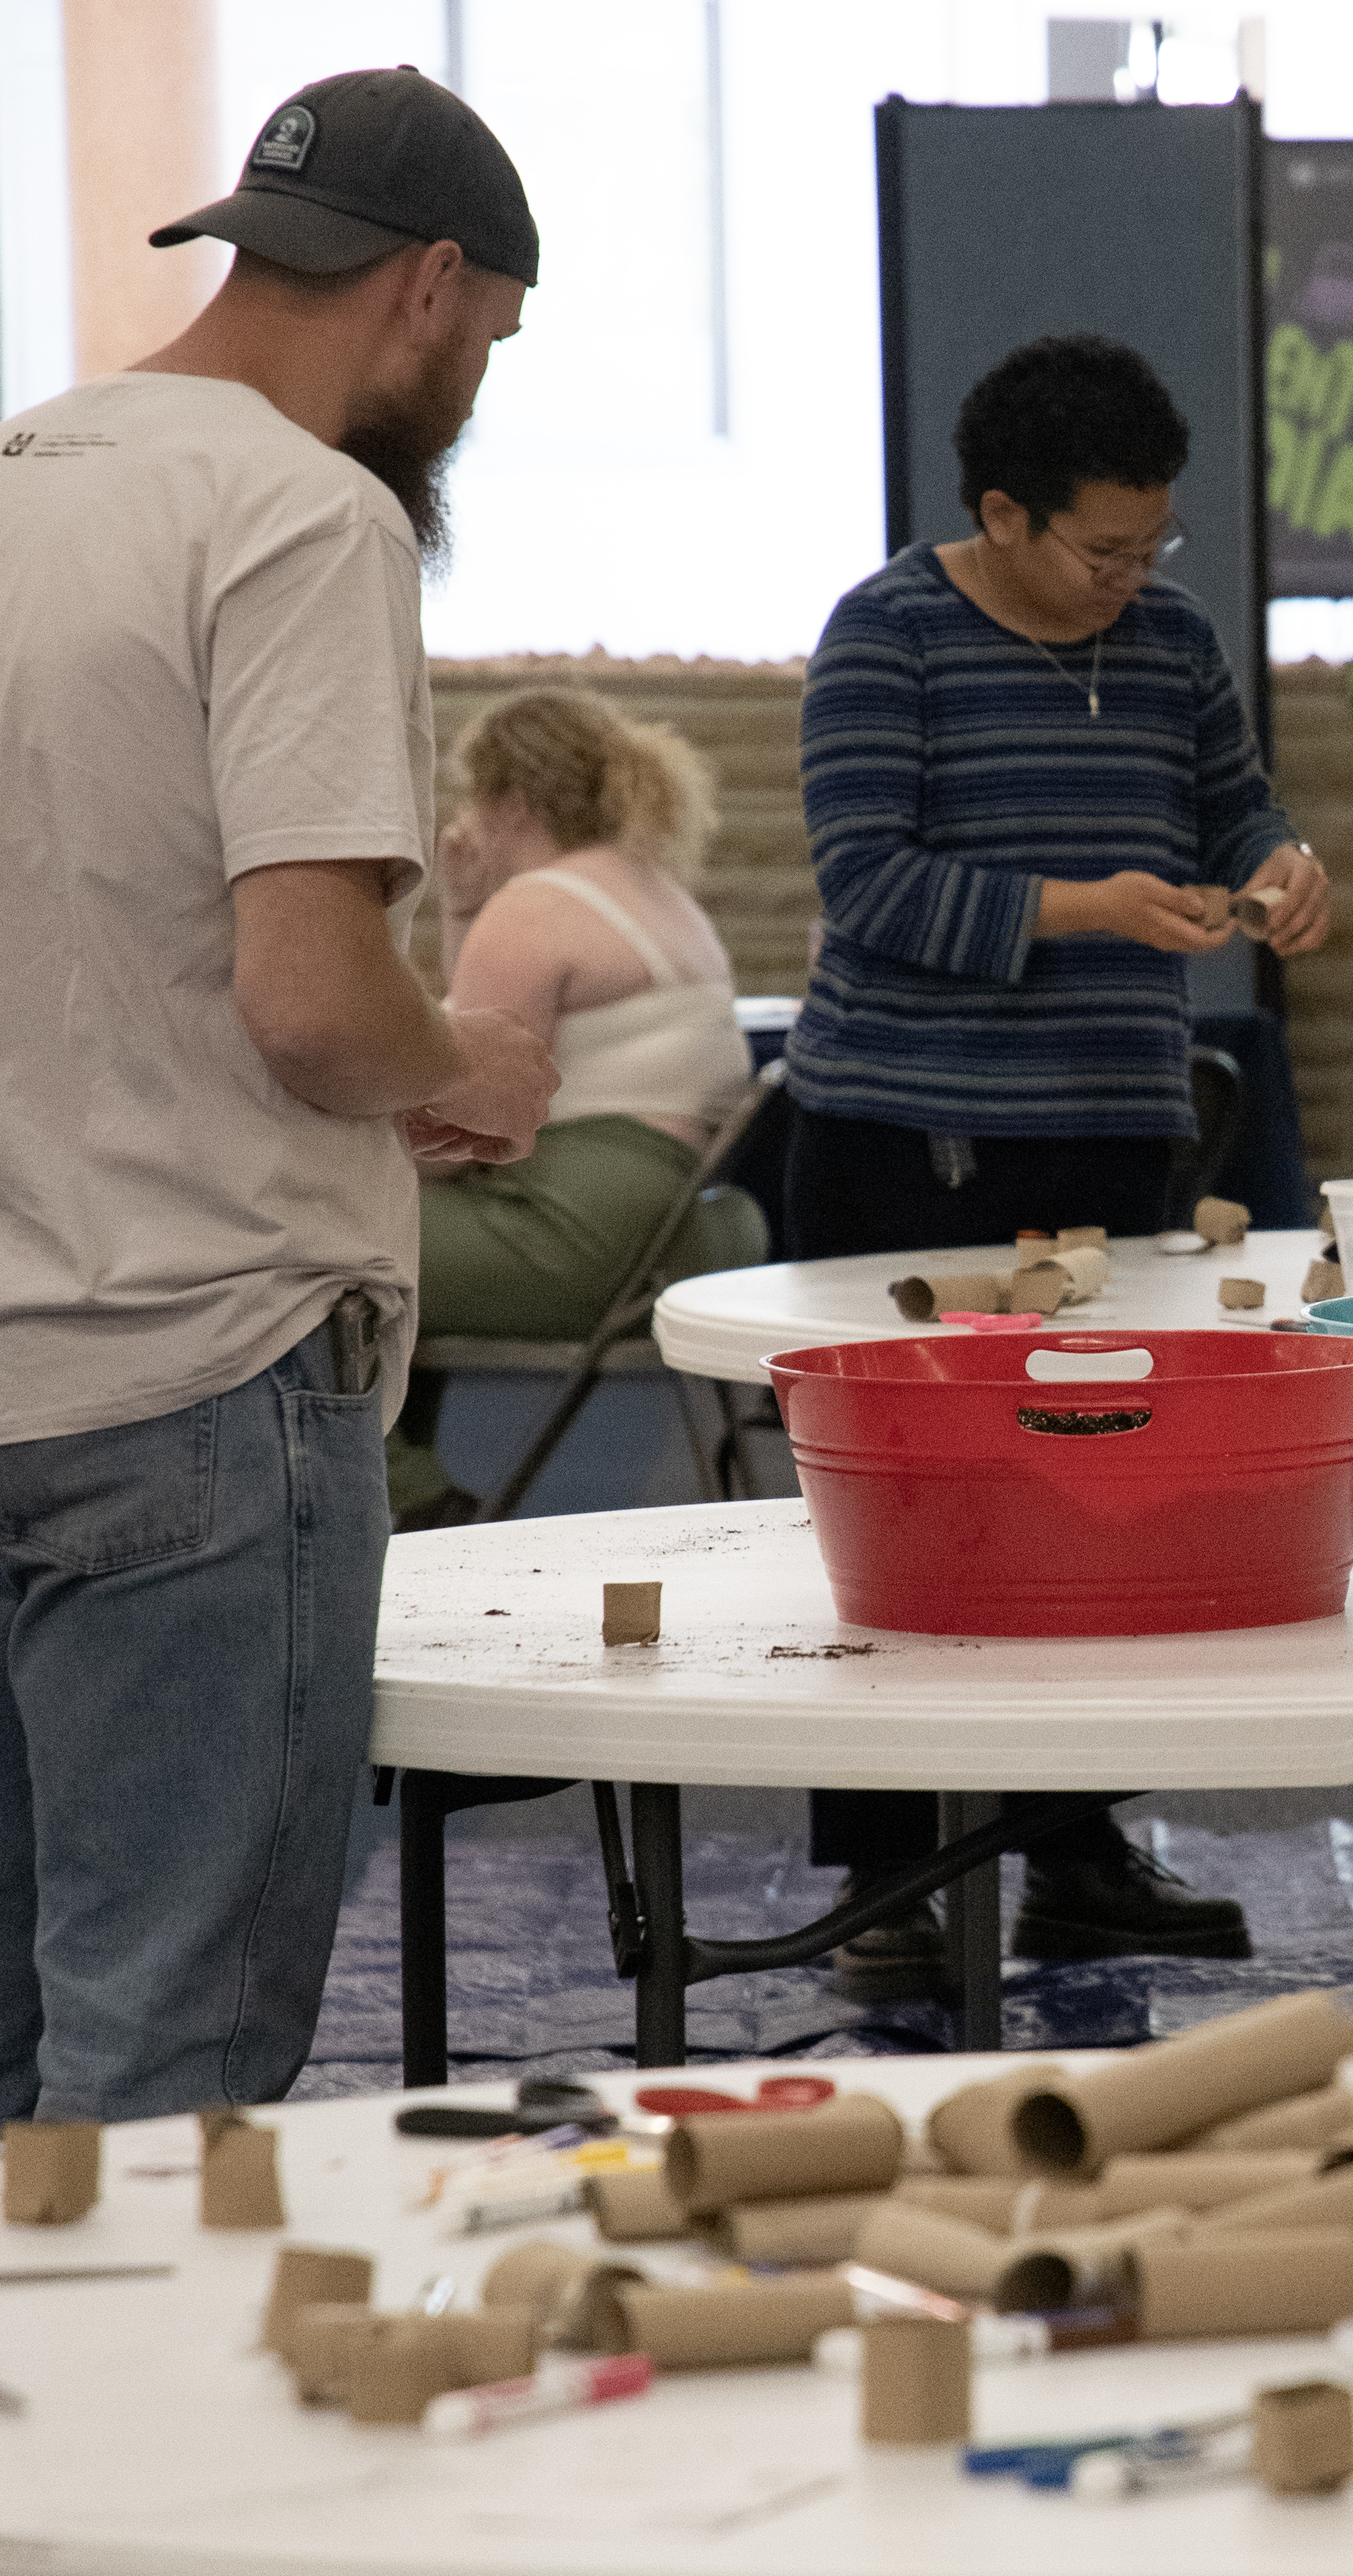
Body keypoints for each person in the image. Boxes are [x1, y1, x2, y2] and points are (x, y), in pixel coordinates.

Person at [0, 70, 554, 2122]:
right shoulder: (302, 515)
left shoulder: (21, 470)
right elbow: (317, 1008)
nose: (469, 391)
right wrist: (467, 1063)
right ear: (423, 287)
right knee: (162, 2070)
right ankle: (141, 2456)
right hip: (195, 1374)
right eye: (484, 345)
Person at [784, 334, 1332, 1999]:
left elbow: (1230, 804)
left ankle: (1076, 1850)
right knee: (908, 1506)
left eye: (1150, 544)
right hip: (905, 1139)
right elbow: (865, 879)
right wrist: (1089, 906)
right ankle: (884, 1872)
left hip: (1112, 1122)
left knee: (1099, 1492)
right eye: (1101, 547)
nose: (1131, 578)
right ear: (1001, 513)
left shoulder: (1168, 638)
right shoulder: (889, 635)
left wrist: (1281, 864)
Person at [389, 688, 766, 1528]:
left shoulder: (533, 906)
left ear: (506, 802)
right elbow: (490, 1044)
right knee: (392, 1248)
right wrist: (460, 908)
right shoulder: (653, 891)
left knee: (324, 1255)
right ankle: (409, 1489)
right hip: (670, 1222)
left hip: (575, 1222)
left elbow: (460, 1129)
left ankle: (409, 1500)